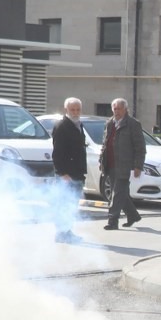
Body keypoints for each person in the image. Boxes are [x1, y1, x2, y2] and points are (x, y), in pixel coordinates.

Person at [102, 97, 146, 230]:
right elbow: (105, 144)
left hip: (124, 165)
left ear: (126, 110)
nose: (116, 111)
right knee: (121, 194)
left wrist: (138, 166)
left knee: (117, 193)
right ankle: (133, 215)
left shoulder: (133, 124)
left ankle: (112, 221)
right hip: (110, 164)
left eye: (119, 109)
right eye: (114, 109)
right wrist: (101, 160)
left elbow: (140, 147)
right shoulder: (109, 123)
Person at [50, 97, 88, 242]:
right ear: (66, 109)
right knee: (64, 204)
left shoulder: (78, 124)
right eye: (72, 109)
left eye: (78, 109)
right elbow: (57, 153)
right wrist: (62, 173)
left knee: (71, 204)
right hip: (67, 174)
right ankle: (61, 233)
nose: (75, 112)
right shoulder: (62, 126)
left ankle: (67, 231)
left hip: (77, 172)